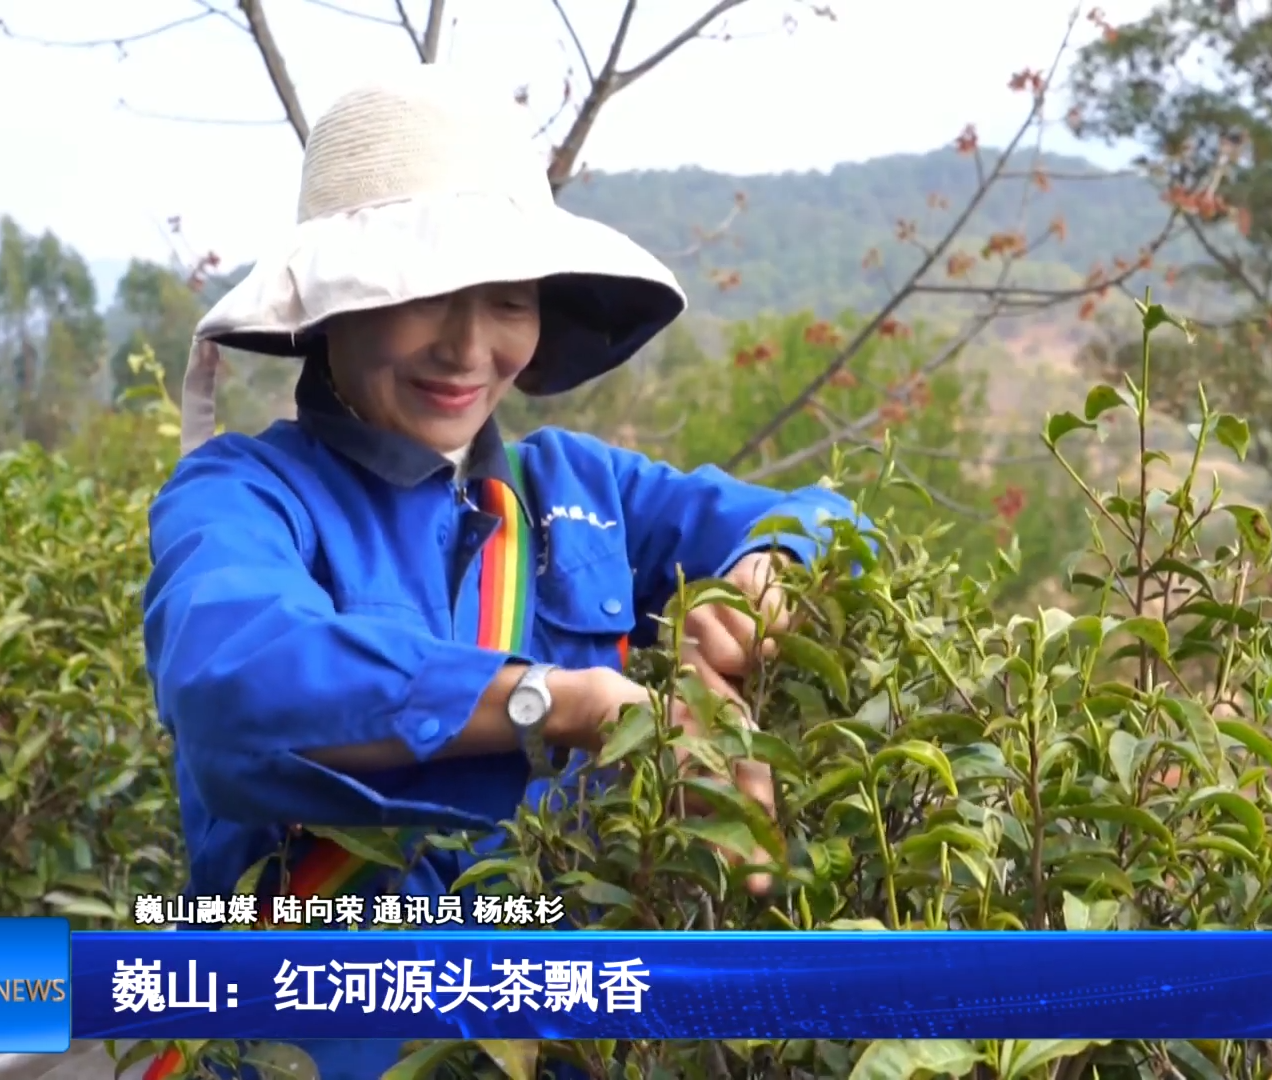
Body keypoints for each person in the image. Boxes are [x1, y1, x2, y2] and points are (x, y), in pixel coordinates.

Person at [138, 66, 861, 1080]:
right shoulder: (246, 497)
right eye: (425, 296)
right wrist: (552, 704)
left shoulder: (581, 489)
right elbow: (236, 681)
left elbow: (825, 519)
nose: (469, 348)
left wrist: (766, 577)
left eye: (509, 301)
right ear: (332, 306)